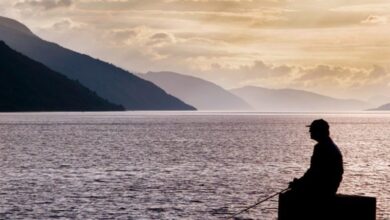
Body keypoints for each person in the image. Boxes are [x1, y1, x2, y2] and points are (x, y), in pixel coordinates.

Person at [280, 119, 344, 219]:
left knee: (289, 196)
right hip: (330, 187)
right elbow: (316, 172)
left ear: (319, 131)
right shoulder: (329, 146)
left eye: (312, 130)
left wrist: (299, 184)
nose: (310, 132)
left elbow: (315, 173)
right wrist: (301, 183)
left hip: (323, 189)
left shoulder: (321, 147)